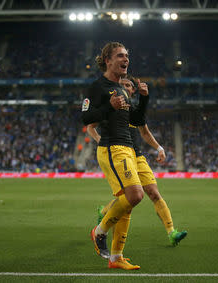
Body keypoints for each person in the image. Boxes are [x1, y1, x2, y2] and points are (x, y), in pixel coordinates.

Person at [87, 75, 187, 248]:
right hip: (119, 152)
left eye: (129, 85)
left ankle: (172, 233)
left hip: (137, 155)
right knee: (130, 197)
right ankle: (105, 217)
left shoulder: (134, 111)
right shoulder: (111, 106)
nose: (125, 87)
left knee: (154, 193)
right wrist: (100, 141)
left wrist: (159, 148)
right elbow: (90, 126)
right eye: (122, 84)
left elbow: (145, 133)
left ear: (133, 90)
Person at [81, 42, 149, 270]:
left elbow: (137, 121)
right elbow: (85, 117)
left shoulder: (121, 88)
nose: (126, 59)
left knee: (127, 203)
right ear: (107, 60)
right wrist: (109, 106)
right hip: (113, 148)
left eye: (127, 56)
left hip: (128, 148)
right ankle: (99, 231)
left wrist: (143, 98)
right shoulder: (97, 87)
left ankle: (116, 258)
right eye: (120, 55)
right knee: (136, 195)